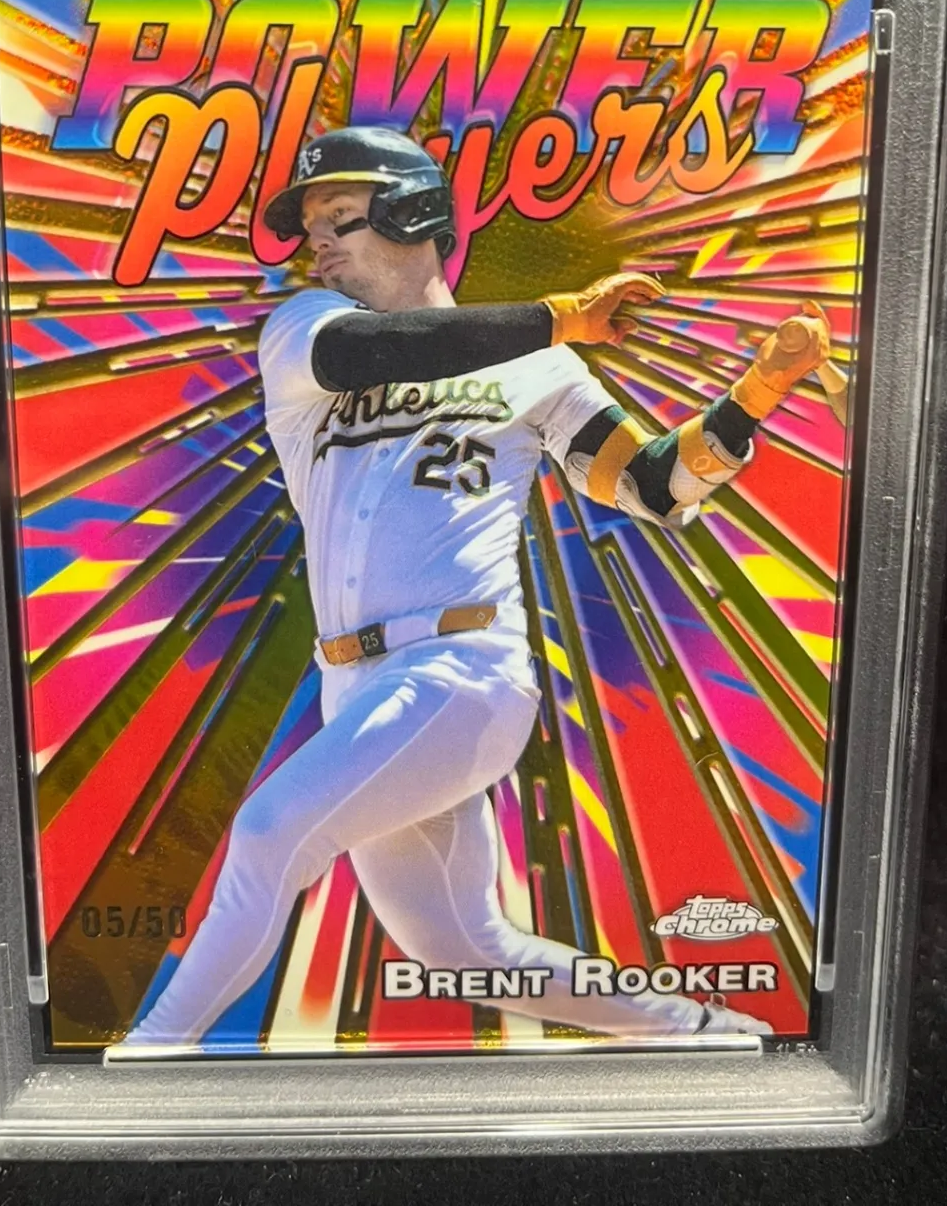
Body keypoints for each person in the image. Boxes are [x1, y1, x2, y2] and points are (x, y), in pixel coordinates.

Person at [115, 127, 831, 1053]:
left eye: (340, 216)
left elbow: (655, 486)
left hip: (462, 668)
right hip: (355, 686)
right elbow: (381, 352)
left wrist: (757, 393)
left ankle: (151, 1056)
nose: (316, 240)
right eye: (311, 224)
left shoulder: (538, 365)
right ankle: (706, 1033)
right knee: (463, 946)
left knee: (269, 835)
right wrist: (559, 314)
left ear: (414, 213)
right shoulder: (306, 330)